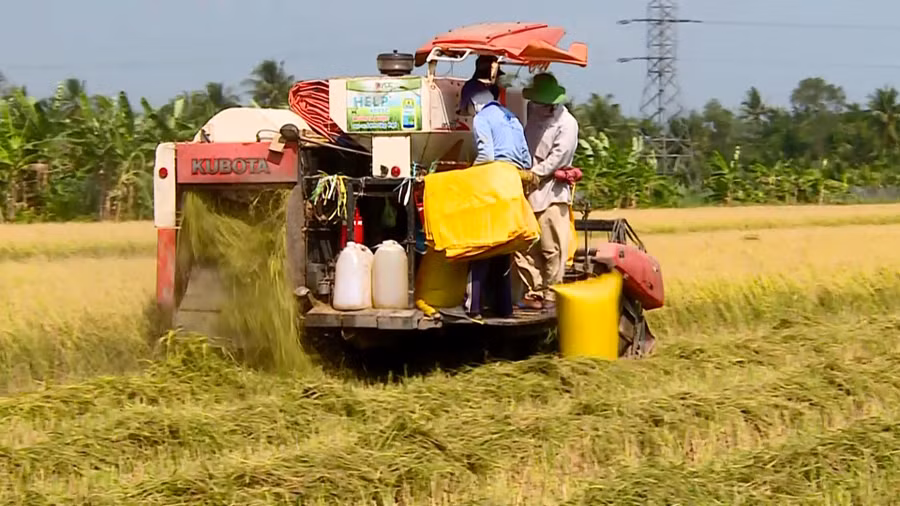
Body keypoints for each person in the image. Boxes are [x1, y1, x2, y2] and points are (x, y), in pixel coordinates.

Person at [456, 81, 532, 319]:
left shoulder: (482, 119)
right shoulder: (512, 118)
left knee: (482, 247)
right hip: (513, 186)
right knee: (503, 247)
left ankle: (474, 308)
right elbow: (526, 160)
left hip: (493, 186)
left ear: (473, 103)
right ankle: (504, 309)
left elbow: (487, 154)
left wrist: (469, 173)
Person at [514, 73, 579, 310]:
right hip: (528, 190)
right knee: (525, 246)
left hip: (552, 191)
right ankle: (535, 290)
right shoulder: (532, 117)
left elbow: (558, 156)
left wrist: (536, 173)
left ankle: (551, 293)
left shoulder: (566, 123)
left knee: (552, 248)